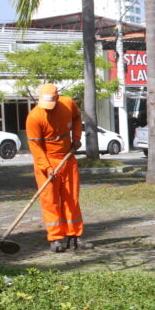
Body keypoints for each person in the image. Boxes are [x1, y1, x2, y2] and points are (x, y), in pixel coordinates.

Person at [26, 83, 94, 252]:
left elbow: (77, 119)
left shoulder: (68, 104)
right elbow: (35, 147)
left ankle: (75, 237)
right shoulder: (34, 117)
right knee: (50, 201)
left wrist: (76, 138)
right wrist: (47, 167)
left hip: (67, 158)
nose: (48, 109)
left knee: (72, 198)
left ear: (57, 98)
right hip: (46, 162)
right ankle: (55, 239)